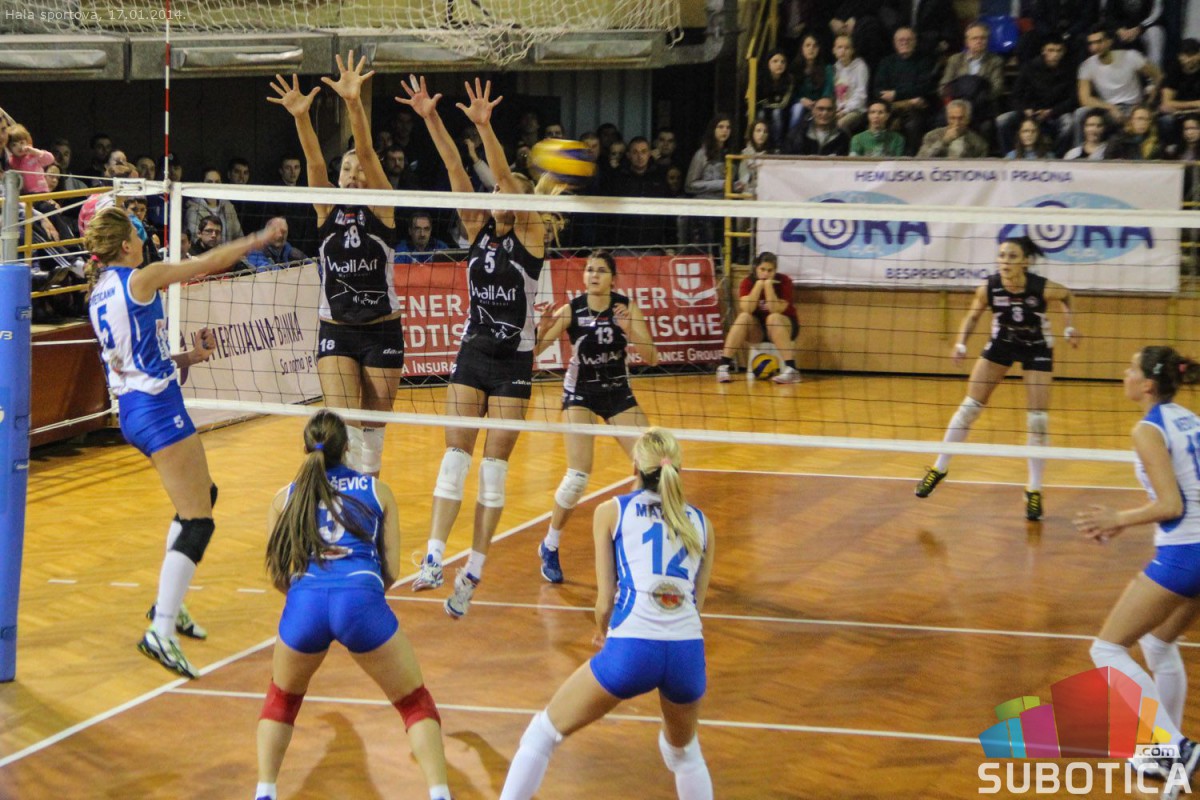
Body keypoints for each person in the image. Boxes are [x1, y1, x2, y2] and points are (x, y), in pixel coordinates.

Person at [85, 206, 285, 678]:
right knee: (199, 522)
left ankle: (165, 606)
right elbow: (207, 263)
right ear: (126, 245)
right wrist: (259, 238)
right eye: (137, 233)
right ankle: (161, 629)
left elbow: (140, 358)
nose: (143, 239)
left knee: (203, 497)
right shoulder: (141, 277)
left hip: (136, 408)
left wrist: (190, 357)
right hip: (156, 410)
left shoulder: (99, 292)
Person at [398, 75, 550, 618]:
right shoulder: (477, 227)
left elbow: (503, 175)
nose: (499, 195)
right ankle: (435, 557)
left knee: (493, 471)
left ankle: (474, 571)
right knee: (455, 459)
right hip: (473, 355)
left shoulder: (531, 237)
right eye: (496, 193)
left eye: (509, 193)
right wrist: (430, 118)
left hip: (514, 363)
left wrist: (486, 129)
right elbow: (453, 167)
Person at [498, 428, 715, 800]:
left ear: (635, 466)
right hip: (686, 653)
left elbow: (604, 602)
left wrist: (603, 631)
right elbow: (697, 604)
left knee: (542, 734)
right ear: (678, 469)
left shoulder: (612, 511)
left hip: (632, 649)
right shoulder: (702, 523)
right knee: (683, 753)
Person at [255, 410, 451, 800]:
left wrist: (305, 597)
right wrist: (365, 599)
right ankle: (440, 794)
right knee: (414, 703)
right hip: (361, 598)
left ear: (306, 448)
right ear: (348, 448)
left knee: (282, 699)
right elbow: (391, 570)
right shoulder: (378, 491)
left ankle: (264, 792)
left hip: (306, 601)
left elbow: (277, 573)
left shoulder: (284, 498)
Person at [269, 54, 400, 479]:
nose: (353, 174)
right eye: (346, 168)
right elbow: (313, 162)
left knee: (373, 440)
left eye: (360, 170)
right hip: (337, 329)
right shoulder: (326, 208)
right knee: (344, 432)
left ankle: (368, 502)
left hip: (382, 330)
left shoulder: (383, 208)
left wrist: (353, 102)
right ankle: (340, 501)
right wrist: (301, 117)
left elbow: (367, 151)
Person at [1074, 346, 1200, 788]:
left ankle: (1175, 747)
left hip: (1186, 554)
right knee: (1159, 644)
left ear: (1147, 384)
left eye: (1130, 368)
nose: (1123, 373)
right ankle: (1162, 756)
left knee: (1106, 650)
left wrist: (1118, 519)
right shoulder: (1189, 419)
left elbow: (1171, 505)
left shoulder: (1148, 429)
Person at [915, 237, 1080, 521]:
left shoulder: (1041, 287)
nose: (1005, 261)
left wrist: (1070, 327)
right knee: (969, 408)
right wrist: (960, 344)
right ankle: (939, 467)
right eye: (1002, 255)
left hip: (1037, 346)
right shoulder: (989, 288)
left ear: (1025, 262)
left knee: (1038, 420)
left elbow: (1067, 296)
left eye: (1012, 256)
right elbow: (972, 316)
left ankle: (1034, 489)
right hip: (1002, 344)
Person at [533, 250, 658, 584]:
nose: (593, 275)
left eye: (601, 271)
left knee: (653, 466)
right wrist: (541, 329)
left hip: (617, 392)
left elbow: (652, 356)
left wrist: (631, 330)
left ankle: (635, 536)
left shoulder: (625, 307)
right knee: (577, 476)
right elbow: (533, 353)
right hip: (581, 394)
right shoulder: (571, 310)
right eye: (589, 270)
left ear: (613, 279)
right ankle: (550, 544)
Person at [715, 252, 802, 385]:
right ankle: (723, 366)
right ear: (756, 268)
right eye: (762, 269)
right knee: (743, 317)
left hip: (784, 326)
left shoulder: (784, 281)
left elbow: (775, 309)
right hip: (759, 329)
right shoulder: (747, 282)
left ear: (775, 271)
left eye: (770, 270)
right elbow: (748, 308)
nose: (766, 273)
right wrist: (758, 286)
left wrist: (768, 287)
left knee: (773, 318)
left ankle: (792, 369)